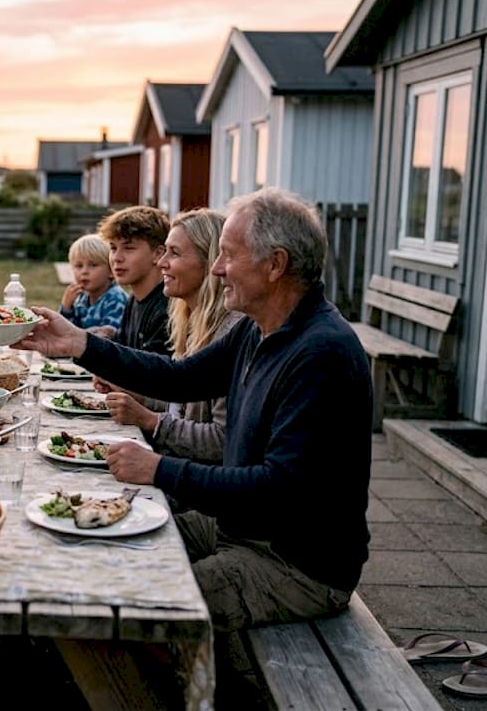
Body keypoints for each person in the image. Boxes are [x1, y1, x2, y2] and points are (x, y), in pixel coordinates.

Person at [18, 187, 371, 633]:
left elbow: (278, 488)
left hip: (293, 563)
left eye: (227, 255)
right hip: (241, 527)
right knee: (96, 544)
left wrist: (159, 469)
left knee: (135, 599)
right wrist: (80, 344)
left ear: (275, 265)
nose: (218, 269)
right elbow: (177, 377)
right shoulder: (260, 330)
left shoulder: (321, 354)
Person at [104, 209, 242, 464]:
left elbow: (223, 441)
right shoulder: (189, 320)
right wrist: (135, 393)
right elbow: (182, 405)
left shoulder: (232, 332)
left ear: (210, 261)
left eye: (174, 253)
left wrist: (148, 420)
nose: (161, 262)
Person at [94, 206, 171, 355]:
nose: (117, 258)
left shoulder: (166, 309)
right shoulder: (133, 300)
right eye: (113, 248)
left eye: (128, 248)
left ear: (158, 254)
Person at [59, 233, 127, 334]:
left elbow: (109, 338)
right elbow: (64, 332)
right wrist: (66, 308)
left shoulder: (116, 299)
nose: (84, 271)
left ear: (111, 271)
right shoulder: (81, 298)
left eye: (93, 265)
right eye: (78, 266)